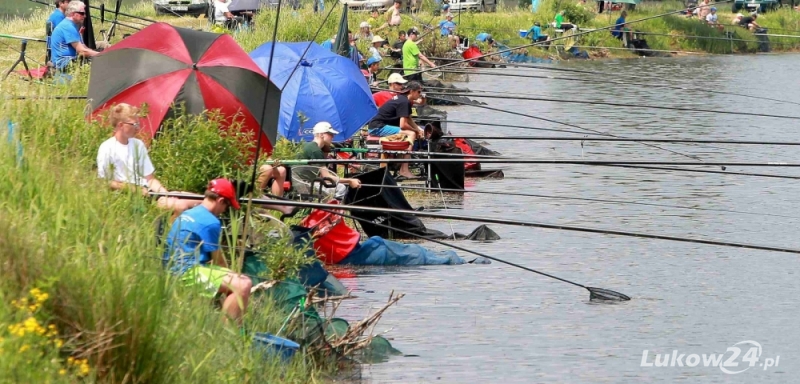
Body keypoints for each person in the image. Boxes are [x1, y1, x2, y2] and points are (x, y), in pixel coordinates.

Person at [164, 178, 252, 325]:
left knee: (234, 281)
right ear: (221, 200)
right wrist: (232, 276)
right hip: (187, 273)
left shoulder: (191, 212)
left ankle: (223, 321)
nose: (225, 210)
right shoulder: (211, 222)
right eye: (227, 206)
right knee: (243, 284)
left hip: (174, 269)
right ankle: (228, 333)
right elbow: (218, 261)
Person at [97, 103, 200, 215]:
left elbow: (150, 179)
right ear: (121, 125)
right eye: (134, 124)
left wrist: (165, 193)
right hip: (132, 196)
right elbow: (105, 182)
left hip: (149, 191)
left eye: (138, 124)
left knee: (200, 200)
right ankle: (170, 230)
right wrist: (132, 188)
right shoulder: (107, 147)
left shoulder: (138, 144)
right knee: (180, 206)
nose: (138, 128)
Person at [367, 81, 425, 180]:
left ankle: (400, 163)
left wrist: (418, 129)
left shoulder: (404, 99)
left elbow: (408, 118)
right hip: (378, 127)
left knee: (413, 131)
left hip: (381, 124)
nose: (420, 95)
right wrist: (415, 132)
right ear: (411, 91)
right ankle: (404, 170)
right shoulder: (404, 102)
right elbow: (403, 125)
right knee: (411, 134)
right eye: (419, 92)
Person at [295, 122, 362, 195]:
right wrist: (350, 180)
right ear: (321, 135)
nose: (333, 137)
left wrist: (325, 151)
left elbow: (322, 177)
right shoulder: (315, 150)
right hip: (306, 186)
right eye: (330, 134)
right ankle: (332, 206)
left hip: (299, 184)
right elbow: (326, 177)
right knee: (341, 188)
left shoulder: (308, 146)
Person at [50, 1, 99, 71]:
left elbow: (83, 46)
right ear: (73, 14)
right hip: (64, 63)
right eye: (82, 13)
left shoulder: (71, 25)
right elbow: (82, 51)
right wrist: (101, 55)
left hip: (70, 60)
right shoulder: (68, 26)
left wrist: (96, 52)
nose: (85, 16)